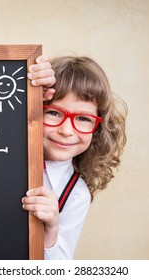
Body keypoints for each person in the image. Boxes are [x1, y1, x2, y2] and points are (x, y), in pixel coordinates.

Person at [26, 55, 127, 259]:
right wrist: (26, 85)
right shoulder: (4, 151)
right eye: (54, 113)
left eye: (82, 118)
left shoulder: (75, 195)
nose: (66, 130)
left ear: (97, 128)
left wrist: (50, 231)